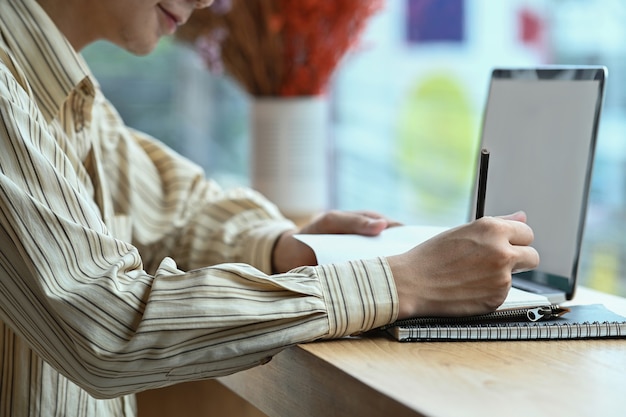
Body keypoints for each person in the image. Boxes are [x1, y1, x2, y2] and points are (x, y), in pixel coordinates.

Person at [0, 0, 540, 415]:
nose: (210, 1)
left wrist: (286, 247)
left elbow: (177, 213)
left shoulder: (60, 98)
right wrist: (402, 284)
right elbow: (107, 324)